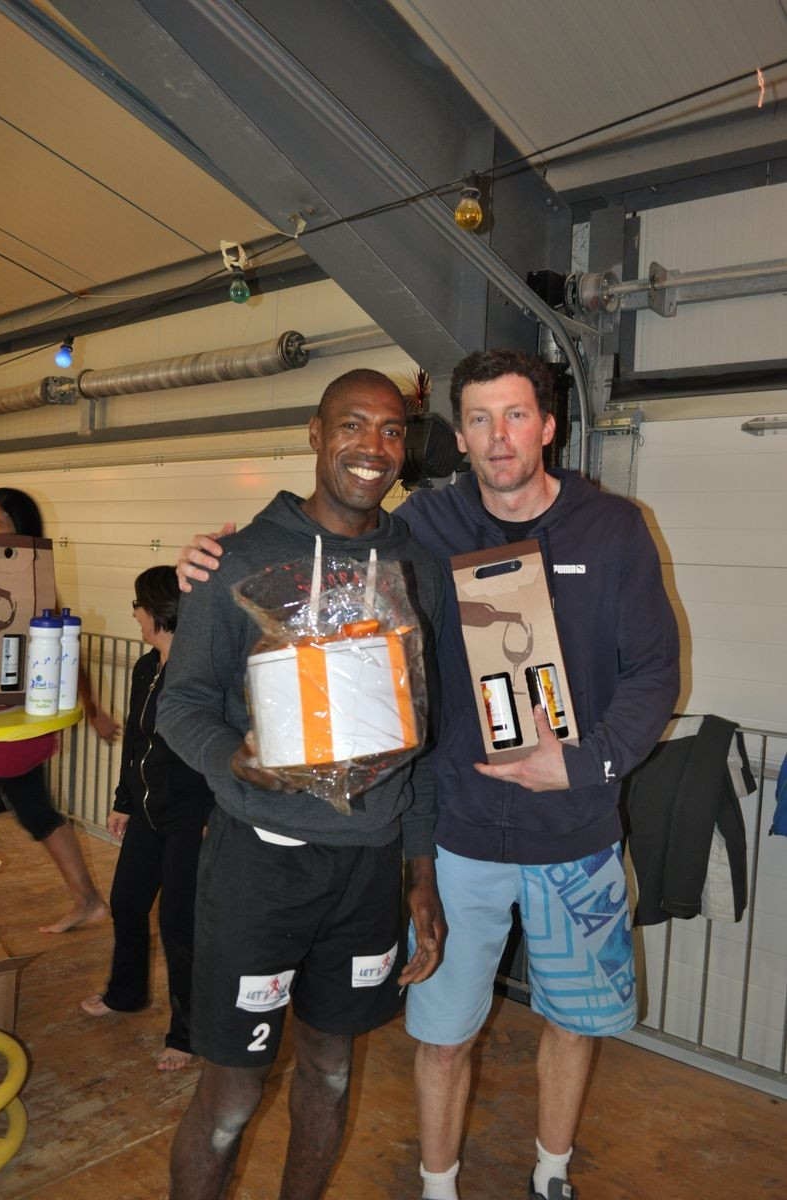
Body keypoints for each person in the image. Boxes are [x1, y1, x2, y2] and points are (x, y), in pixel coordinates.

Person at [177, 348, 680, 1200]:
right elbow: (315, 548)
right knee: (428, 1038)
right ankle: (437, 1185)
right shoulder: (425, 528)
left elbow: (654, 671)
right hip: (447, 840)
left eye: (514, 415)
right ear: (458, 436)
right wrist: (204, 564)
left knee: (557, 1026)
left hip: (564, 831)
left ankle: (551, 1174)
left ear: (548, 426)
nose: (498, 436)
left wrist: (584, 762)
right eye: (478, 419)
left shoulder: (608, 529)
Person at [158, 368, 446, 1200]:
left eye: (390, 430)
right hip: (260, 868)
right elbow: (180, 704)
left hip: (367, 872)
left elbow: (425, 737)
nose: (371, 447)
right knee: (231, 1098)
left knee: (330, 1073)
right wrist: (234, 758)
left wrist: (420, 872)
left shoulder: (415, 566)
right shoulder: (238, 559)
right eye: (351, 424)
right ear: (316, 434)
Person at [80, 566, 214, 1070]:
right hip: (147, 812)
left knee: (179, 926)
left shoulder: (202, 674)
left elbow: (219, 750)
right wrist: (123, 800)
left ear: (159, 609)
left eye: (138, 604)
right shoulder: (144, 667)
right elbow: (136, 744)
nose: (134, 613)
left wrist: (213, 814)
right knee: (126, 903)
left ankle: (187, 1033)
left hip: (190, 819)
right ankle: (126, 993)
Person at [0, 485, 119, 934]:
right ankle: (88, 901)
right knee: (36, 811)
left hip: (10, 726)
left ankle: (88, 900)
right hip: (9, 727)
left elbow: (66, 651)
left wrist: (93, 708)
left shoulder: (31, 583)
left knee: (35, 810)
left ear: (21, 532)